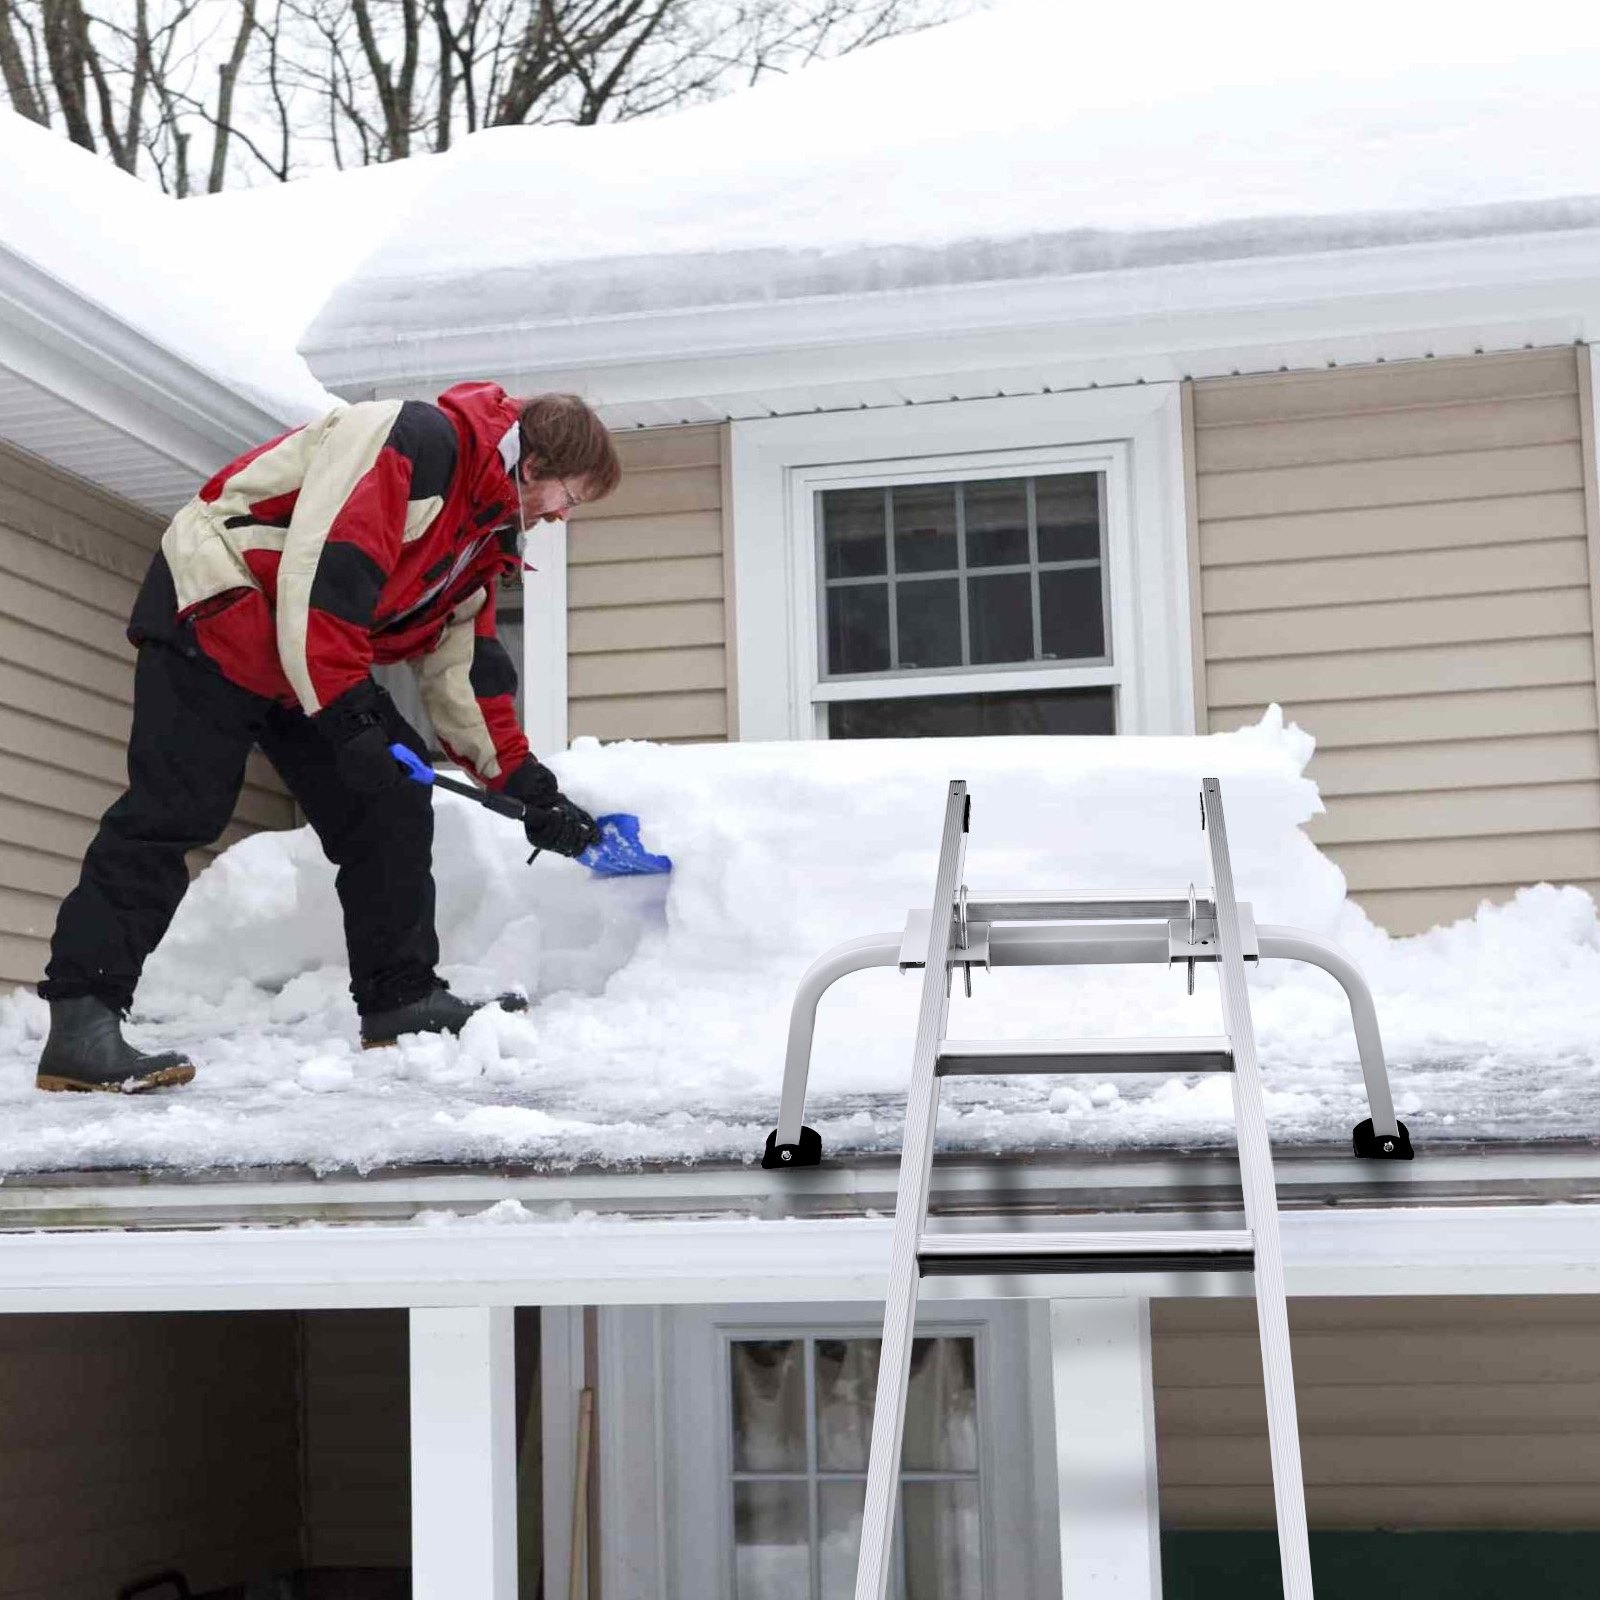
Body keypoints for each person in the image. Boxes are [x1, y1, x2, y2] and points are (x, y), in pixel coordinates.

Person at [34, 382, 620, 1093]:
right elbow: (326, 573)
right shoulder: (418, 441)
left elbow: (465, 675)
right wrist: (349, 718)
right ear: (534, 466)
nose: (563, 517)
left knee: (393, 802)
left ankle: (400, 998)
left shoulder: (483, 534)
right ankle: (81, 1022)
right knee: (176, 811)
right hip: (221, 606)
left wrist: (529, 790)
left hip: (299, 655)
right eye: (571, 497)